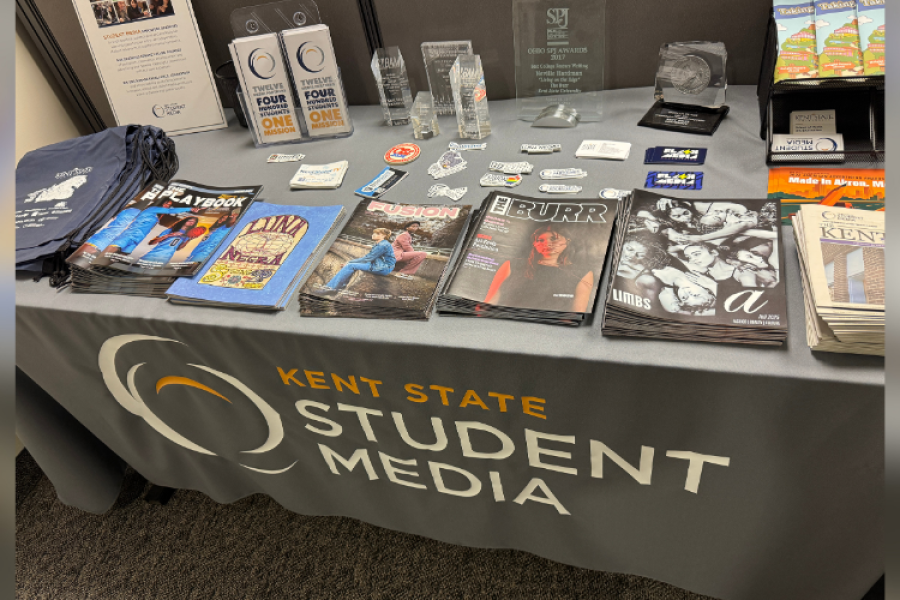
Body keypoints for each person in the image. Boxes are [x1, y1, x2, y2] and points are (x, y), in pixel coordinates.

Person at [484, 224, 594, 313]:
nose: (547, 244)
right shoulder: (512, 265)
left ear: (567, 241)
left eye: (553, 238)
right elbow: (492, 298)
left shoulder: (582, 274)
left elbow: (578, 312)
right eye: (541, 240)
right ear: (534, 244)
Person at [93, 200, 200, 266]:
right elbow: (169, 212)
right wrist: (190, 208)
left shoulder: (156, 218)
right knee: (104, 257)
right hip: (127, 236)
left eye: (169, 204)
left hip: (135, 241)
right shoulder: (151, 209)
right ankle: (88, 269)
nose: (167, 206)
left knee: (112, 261)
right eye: (167, 203)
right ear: (161, 202)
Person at [323, 228, 396, 291]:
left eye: (377, 233)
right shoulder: (382, 243)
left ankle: (331, 288)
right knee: (353, 265)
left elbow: (367, 258)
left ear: (383, 235)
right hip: (381, 265)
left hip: (382, 268)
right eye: (374, 233)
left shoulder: (382, 245)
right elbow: (369, 257)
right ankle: (341, 285)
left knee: (350, 266)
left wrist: (349, 262)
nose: (373, 234)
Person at [651, 266, 717, 316]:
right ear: (708, 291)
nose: (686, 292)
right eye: (695, 295)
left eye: (684, 297)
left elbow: (671, 306)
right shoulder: (701, 268)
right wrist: (713, 285)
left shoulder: (661, 281)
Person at [670, 241, 735, 282]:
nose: (692, 260)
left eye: (696, 254)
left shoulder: (739, 268)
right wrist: (688, 246)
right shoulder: (702, 278)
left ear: (714, 252)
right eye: (689, 257)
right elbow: (670, 251)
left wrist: (697, 242)